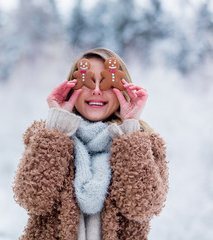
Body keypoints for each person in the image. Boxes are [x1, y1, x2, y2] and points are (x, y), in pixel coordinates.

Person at [13, 48, 169, 240]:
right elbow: (33, 198)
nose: (96, 90)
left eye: (106, 81)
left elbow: (142, 207)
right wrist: (58, 125)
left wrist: (130, 131)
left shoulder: (144, 143)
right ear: (72, 88)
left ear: (122, 89)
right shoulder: (46, 137)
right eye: (87, 80)